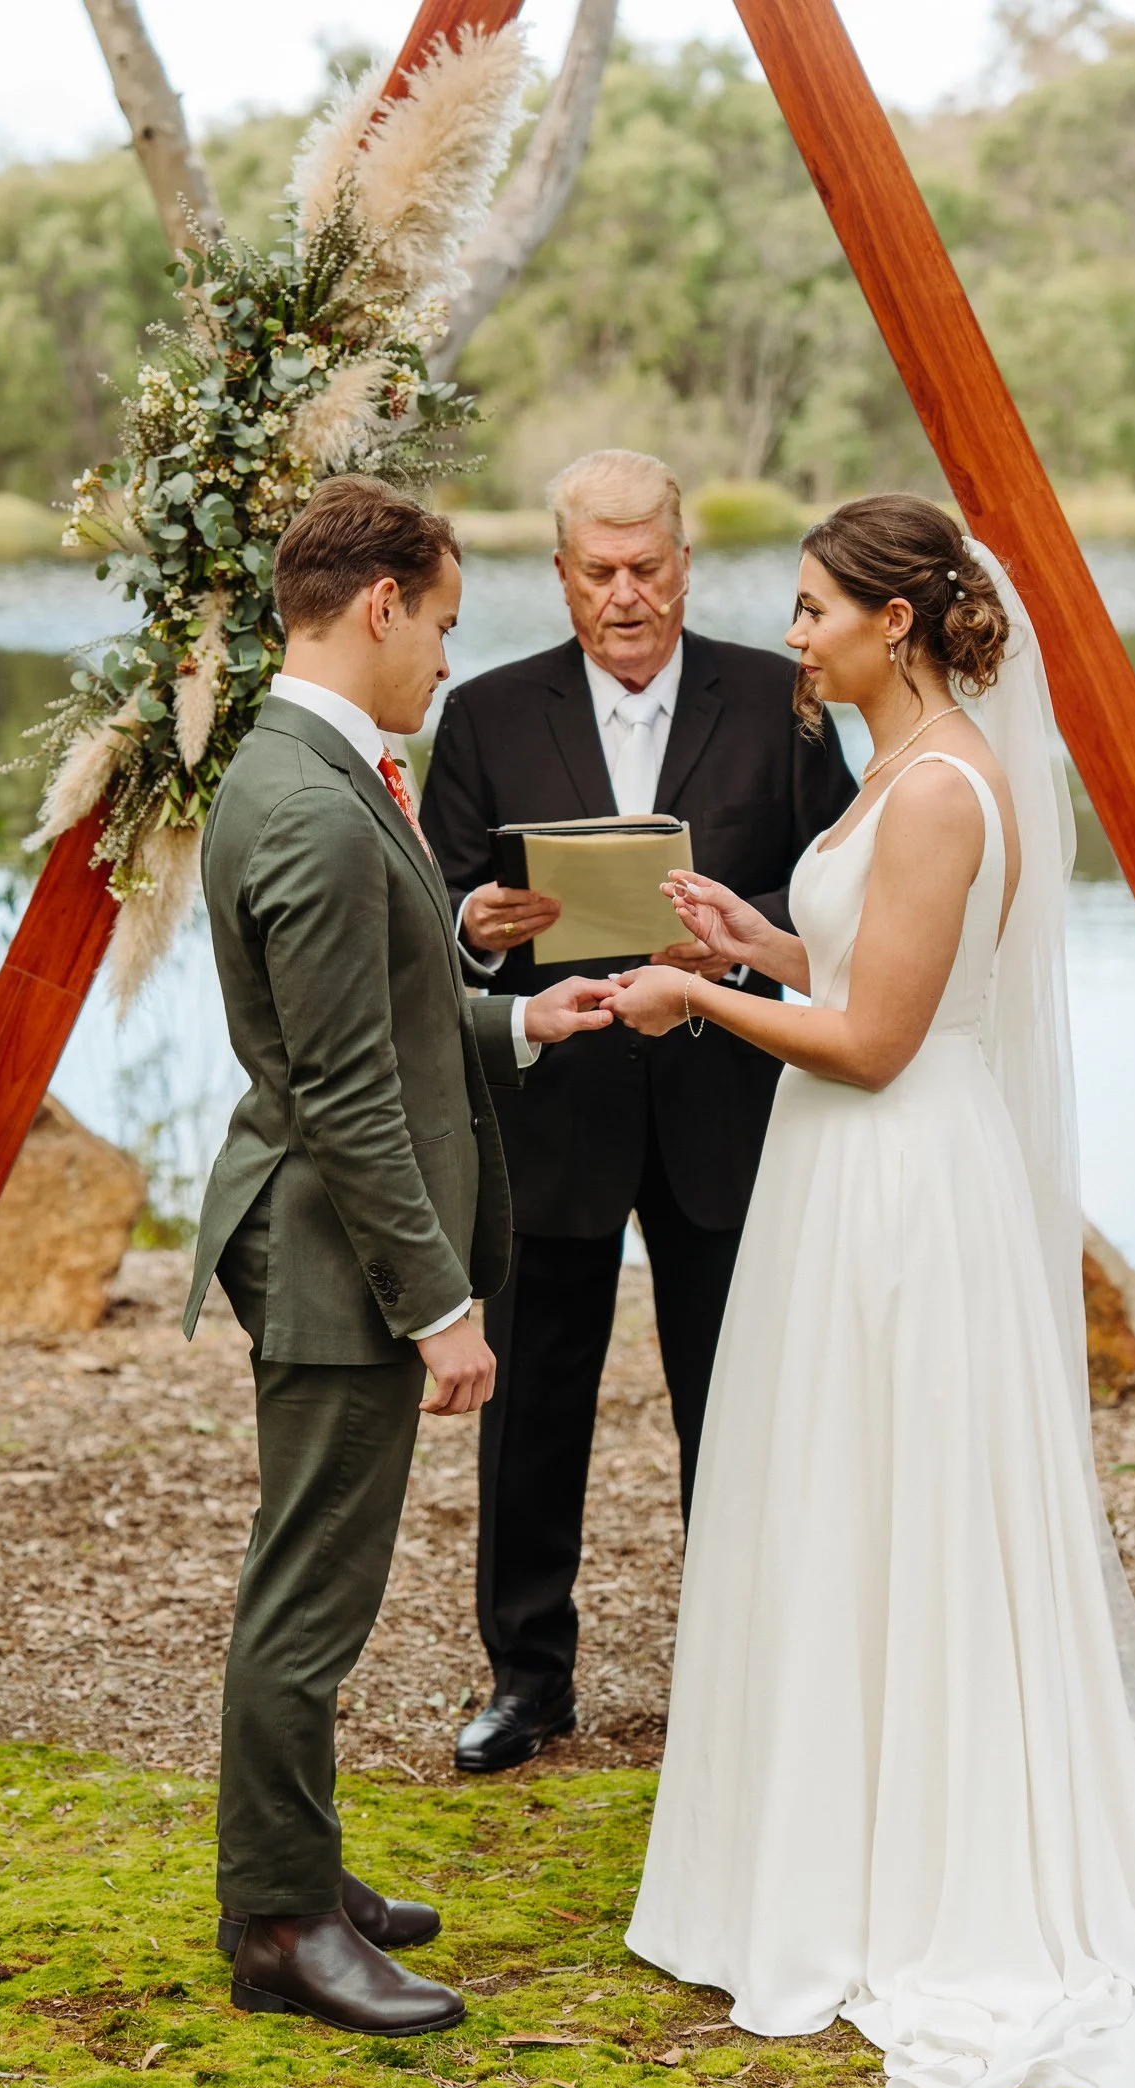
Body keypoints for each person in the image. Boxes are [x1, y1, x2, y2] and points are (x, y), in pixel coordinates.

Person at [606, 495, 1135, 2088]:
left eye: (814, 608)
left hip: (897, 1181)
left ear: (898, 620)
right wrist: (754, 938)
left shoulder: (942, 787)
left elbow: (881, 1044)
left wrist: (698, 997)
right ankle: (826, 1848)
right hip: (850, 1174)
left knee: (901, 1508)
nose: (792, 633)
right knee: (838, 1501)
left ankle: (911, 1875)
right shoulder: (898, 772)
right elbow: (873, 980)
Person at [181, 475, 612, 2038]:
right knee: (308, 1602)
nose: (444, 654)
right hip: (334, 1258)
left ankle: (296, 1865)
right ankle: (285, 1925)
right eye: (438, 621)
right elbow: (345, 1089)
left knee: (314, 1588)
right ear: (379, 606)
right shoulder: (302, 796)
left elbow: (377, 1014)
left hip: (332, 1238)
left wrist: (516, 1018)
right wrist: (440, 1307)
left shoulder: (313, 761)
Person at [419, 449, 856, 1775]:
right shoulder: (487, 716)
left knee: (733, 1401)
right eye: (599, 572)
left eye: (648, 568)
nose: (626, 595)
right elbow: (437, 910)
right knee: (533, 1408)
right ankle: (527, 1682)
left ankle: (743, 1682)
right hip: (553, 1108)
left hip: (726, 1103)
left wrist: (737, 943)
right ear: (560, 577)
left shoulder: (782, 698)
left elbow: (834, 888)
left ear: (683, 564)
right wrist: (481, 928)